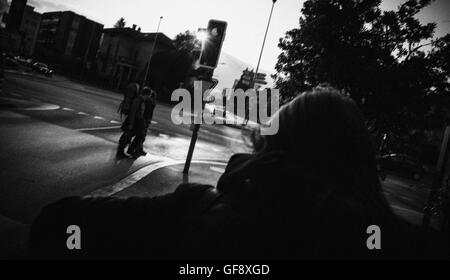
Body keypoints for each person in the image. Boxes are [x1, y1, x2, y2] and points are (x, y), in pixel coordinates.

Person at [28, 86, 449, 259]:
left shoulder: (208, 213)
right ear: (360, 161)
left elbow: (61, 220)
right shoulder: (402, 243)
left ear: (270, 151)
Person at [127, 87, 156, 158]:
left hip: (139, 120)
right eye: (149, 95)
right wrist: (131, 123)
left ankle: (133, 150)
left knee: (138, 135)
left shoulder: (142, 100)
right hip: (138, 121)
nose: (149, 97)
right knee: (137, 135)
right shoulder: (140, 100)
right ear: (148, 94)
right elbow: (134, 112)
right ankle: (132, 150)